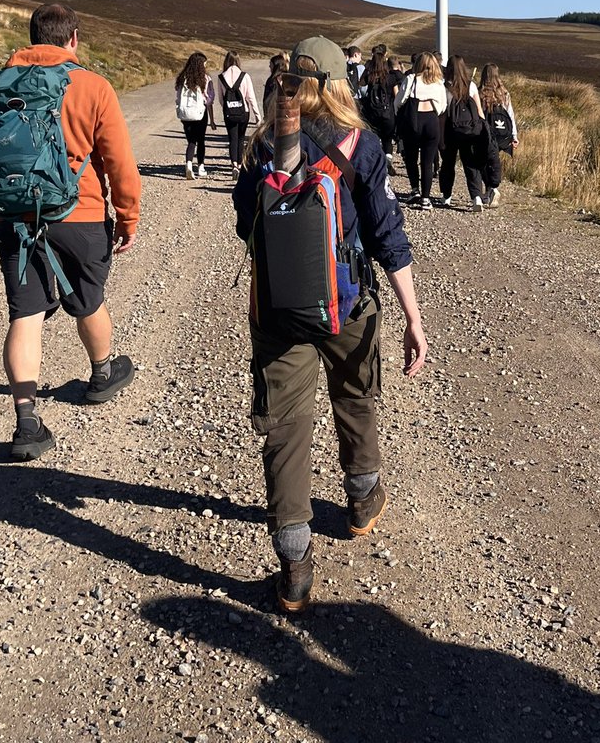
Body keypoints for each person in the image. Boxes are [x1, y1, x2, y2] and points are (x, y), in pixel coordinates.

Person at [233, 36, 428, 613]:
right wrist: (414, 320)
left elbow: (246, 226)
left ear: (290, 82)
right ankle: (364, 499)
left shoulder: (263, 145)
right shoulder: (360, 145)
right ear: (343, 83)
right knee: (355, 396)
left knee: (286, 430)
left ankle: (294, 568)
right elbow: (388, 237)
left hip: (277, 313)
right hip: (347, 305)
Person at [0, 3, 141, 461]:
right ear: (73, 40)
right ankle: (102, 374)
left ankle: (27, 423)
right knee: (88, 299)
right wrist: (128, 217)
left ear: (31, 38)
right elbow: (119, 163)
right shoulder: (92, 86)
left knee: (24, 316)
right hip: (79, 217)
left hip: (17, 220)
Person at [393, 51, 447, 209]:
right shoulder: (438, 83)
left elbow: (399, 101)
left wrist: (399, 114)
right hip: (431, 121)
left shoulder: (411, 79)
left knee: (410, 158)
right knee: (427, 161)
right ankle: (425, 198)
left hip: (413, 120)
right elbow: (443, 106)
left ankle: (415, 189)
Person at [439, 54, 486, 212]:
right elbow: (479, 110)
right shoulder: (471, 86)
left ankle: (446, 196)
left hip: (449, 130)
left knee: (448, 163)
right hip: (470, 131)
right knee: (471, 164)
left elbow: (441, 110)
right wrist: (483, 129)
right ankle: (476, 197)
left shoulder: (444, 86)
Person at [216, 50, 261, 179]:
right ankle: (240, 164)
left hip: (229, 113)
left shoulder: (221, 77)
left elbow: (220, 99)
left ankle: (234, 164)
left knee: (232, 138)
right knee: (241, 138)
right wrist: (257, 115)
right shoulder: (244, 76)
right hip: (243, 112)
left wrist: (228, 108)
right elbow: (251, 97)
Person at [477, 64, 517, 207]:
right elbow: (510, 115)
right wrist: (514, 135)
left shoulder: (480, 93)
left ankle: (490, 189)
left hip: (485, 134)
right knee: (494, 161)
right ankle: (491, 189)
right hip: (502, 135)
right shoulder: (504, 93)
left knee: (483, 162)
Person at [175, 51, 217, 179]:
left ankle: (188, 164)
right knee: (200, 140)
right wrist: (212, 119)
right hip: (200, 113)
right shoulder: (205, 79)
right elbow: (209, 100)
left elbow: (178, 97)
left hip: (185, 114)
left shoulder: (182, 78)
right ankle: (201, 166)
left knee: (191, 140)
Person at [360, 44, 399, 172]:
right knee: (387, 139)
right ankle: (387, 160)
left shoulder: (369, 75)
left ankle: (375, 163)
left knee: (374, 138)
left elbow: (360, 85)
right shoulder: (390, 77)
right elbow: (397, 95)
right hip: (387, 113)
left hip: (372, 112)